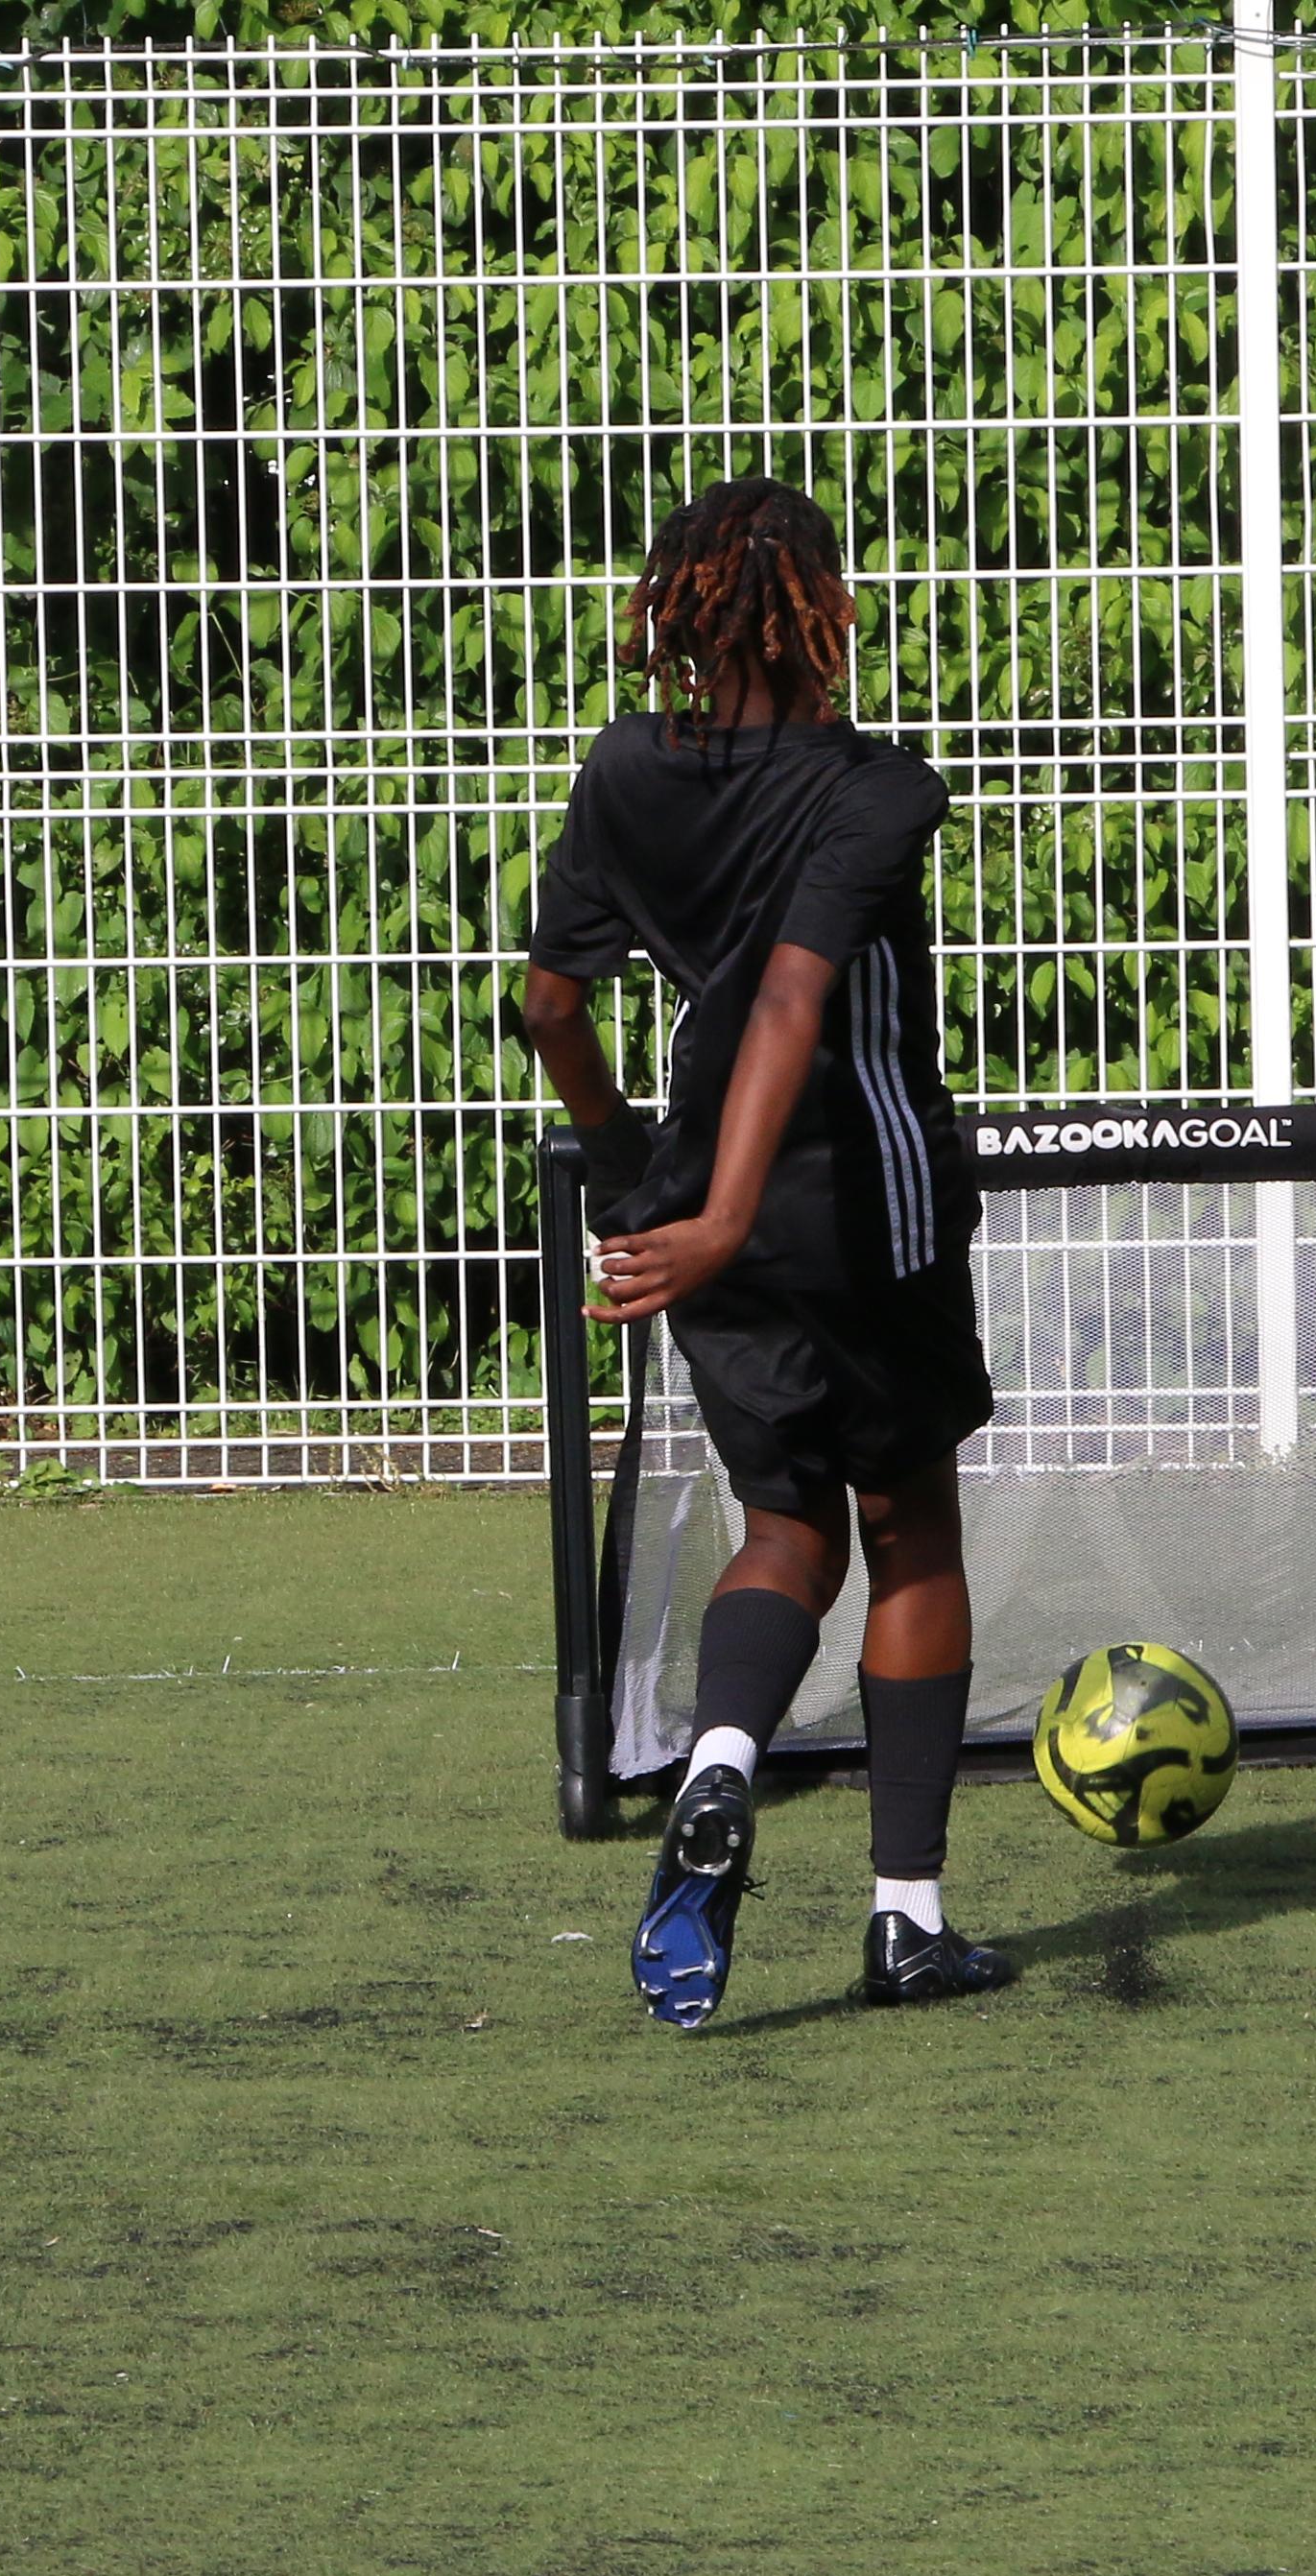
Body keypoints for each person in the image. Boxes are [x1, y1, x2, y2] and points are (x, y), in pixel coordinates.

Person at [514, 477, 1016, 2033]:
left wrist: (636, 1179)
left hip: (692, 1215)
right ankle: (906, 1920)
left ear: (677, 609)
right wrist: (730, 1210)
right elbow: (799, 1003)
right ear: (818, 611)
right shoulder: (876, 789)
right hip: (861, 1209)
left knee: (783, 1527)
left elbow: (547, 1006)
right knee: (910, 1531)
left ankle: (724, 1762)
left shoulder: (623, 772)